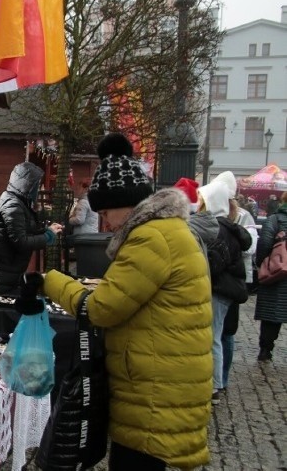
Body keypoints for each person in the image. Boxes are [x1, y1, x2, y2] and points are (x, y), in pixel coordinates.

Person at [40, 133, 212, 469]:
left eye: (106, 211)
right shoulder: (167, 230)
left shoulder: (149, 237)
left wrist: (52, 281)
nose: (104, 221)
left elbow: (101, 309)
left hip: (154, 394)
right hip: (164, 384)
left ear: (127, 203)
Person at [0, 161, 63, 303]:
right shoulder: (12, 205)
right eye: (36, 185)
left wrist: (47, 231)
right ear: (27, 185)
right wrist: (48, 236)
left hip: (1, 271)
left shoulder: (16, 201)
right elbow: (20, 241)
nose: (38, 189)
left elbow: (24, 230)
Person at [197, 180, 251, 405]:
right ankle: (216, 383)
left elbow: (213, 264)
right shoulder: (227, 226)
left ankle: (215, 386)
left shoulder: (219, 229)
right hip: (225, 289)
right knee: (216, 336)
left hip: (220, 289)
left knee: (214, 337)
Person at [212, 171, 258, 390]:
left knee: (226, 333)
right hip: (231, 280)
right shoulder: (226, 218)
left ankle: (221, 380)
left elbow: (251, 247)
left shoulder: (242, 218)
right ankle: (220, 380)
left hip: (231, 282)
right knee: (224, 332)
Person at [255, 190, 287, 362]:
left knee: (271, 315)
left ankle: (265, 349)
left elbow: (265, 244)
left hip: (277, 274)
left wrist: (263, 264)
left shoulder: (274, 219)